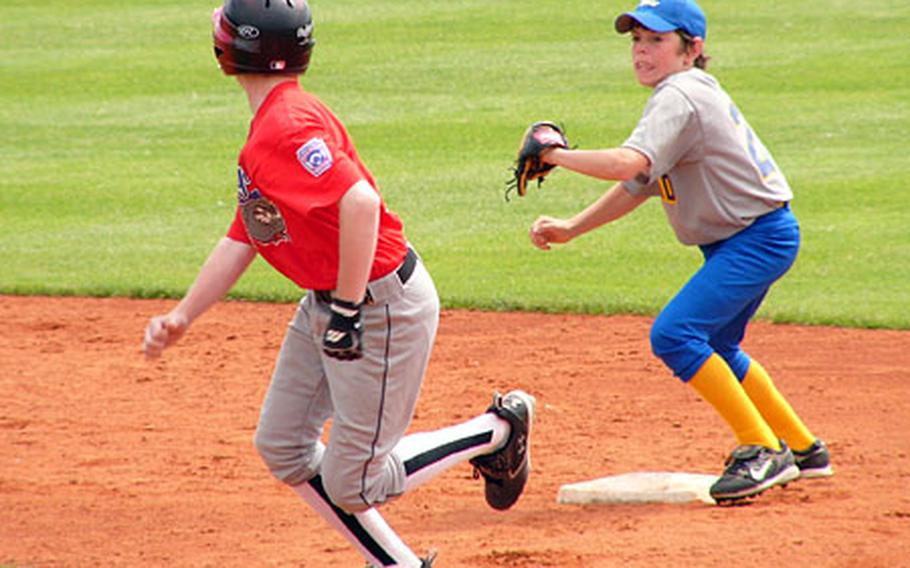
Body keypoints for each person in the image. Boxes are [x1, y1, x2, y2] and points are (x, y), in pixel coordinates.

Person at [142, 1, 535, 565]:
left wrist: (347, 309)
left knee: (357, 483)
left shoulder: (284, 126)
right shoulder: (280, 117)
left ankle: (498, 429)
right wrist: (183, 316)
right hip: (333, 300)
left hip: (377, 306)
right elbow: (248, 232)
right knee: (282, 445)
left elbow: (360, 200)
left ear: (237, 49)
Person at [527, 0, 832, 503]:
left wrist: (554, 155)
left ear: (693, 49)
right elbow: (638, 183)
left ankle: (761, 449)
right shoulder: (687, 93)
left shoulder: (680, 95)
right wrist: (572, 227)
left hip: (755, 239)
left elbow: (627, 163)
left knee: (675, 333)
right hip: (752, 236)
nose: (642, 52)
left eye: (657, 40)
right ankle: (803, 449)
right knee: (721, 346)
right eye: (636, 41)